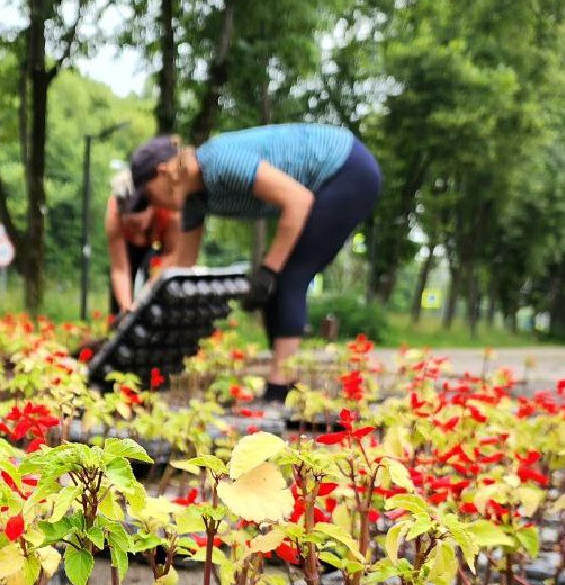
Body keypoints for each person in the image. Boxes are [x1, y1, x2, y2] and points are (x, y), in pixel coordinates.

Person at [128, 125, 381, 403]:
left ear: (164, 172)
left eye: (151, 196)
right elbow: (180, 266)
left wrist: (268, 272)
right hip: (324, 183)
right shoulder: (194, 202)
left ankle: (279, 389)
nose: (156, 206)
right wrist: (137, 306)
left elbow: (297, 200)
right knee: (279, 279)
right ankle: (285, 379)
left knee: (288, 277)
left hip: (346, 169)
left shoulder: (217, 161)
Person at [105, 169, 179, 321]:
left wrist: (144, 298)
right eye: (131, 226)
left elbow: (172, 256)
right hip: (128, 250)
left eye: (140, 225)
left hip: (158, 248)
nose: (137, 233)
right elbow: (120, 269)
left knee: (158, 292)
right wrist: (126, 308)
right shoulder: (114, 214)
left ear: (151, 208)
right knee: (118, 300)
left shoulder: (168, 208)